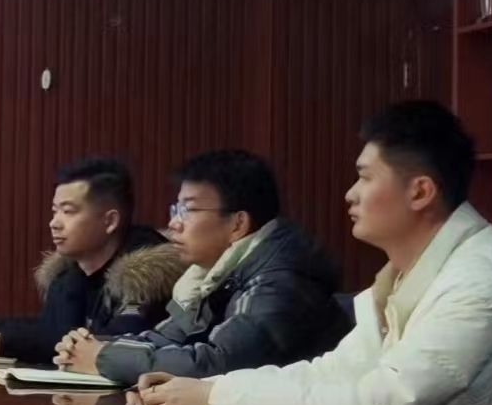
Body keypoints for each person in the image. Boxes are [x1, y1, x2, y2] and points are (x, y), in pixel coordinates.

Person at [134, 103, 492, 405]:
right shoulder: (402, 277)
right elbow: (333, 373)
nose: (350, 194)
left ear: (420, 192)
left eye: (365, 178)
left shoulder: (479, 283)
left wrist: (216, 399)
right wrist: (206, 390)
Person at [58, 150, 350, 386]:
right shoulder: (210, 276)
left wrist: (101, 357)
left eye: (189, 210)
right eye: (176, 209)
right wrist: (91, 346)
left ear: (238, 223)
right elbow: (165, 339)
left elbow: (218, 363)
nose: (174, 223)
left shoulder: (280, 279)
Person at [0, 157, 181, 365]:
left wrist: (5, 342)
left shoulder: (148, 277)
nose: (54, 223)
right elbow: (54, 331)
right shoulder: (69, 275)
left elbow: (111, 344)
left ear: (109, 221)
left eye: (68, 212)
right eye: (54, 211)